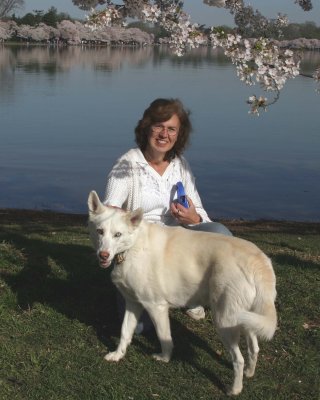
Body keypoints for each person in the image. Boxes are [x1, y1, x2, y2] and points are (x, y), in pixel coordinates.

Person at [103, 98, 232, 332]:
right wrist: (120, 219)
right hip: (142, 249)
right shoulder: (127, 165)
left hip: (178, 242)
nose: (164, 134)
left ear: (179, 134)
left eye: (171, 129)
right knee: (141, 329)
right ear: (146, 128)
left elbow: (200, 211)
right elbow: (109, 210)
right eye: (158, 126)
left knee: (220, 234)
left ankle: (195, 294)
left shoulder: (180, 165)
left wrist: (193, 218)